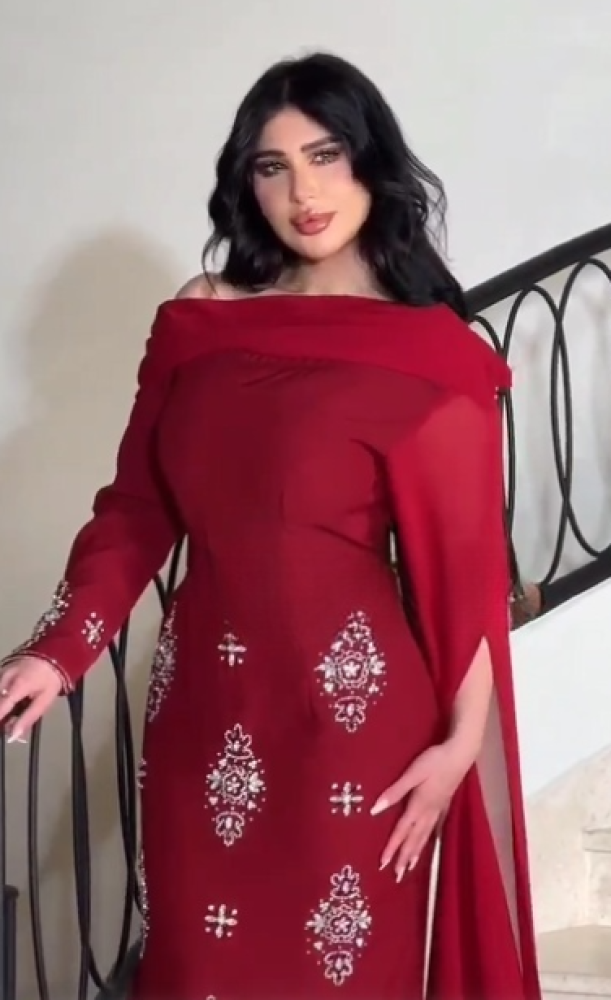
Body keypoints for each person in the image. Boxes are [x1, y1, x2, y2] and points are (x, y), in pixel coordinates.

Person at [0, 52, 541, 1000]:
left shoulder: (434, 354)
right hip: (202, 714)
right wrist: (60, 650)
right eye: (271, 166)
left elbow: (464, 574)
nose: (303, 191)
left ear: (371, 162)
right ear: (244, 184)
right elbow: (137, 507)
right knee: (195, 968)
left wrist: (460, 747)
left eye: (325, 155)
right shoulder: (201, 321)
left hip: (356, 726)